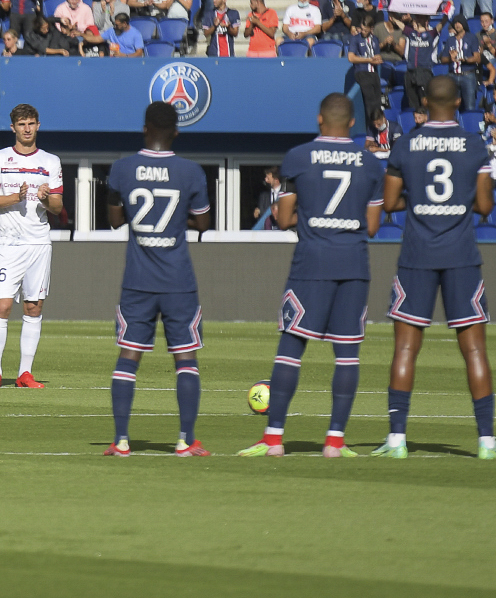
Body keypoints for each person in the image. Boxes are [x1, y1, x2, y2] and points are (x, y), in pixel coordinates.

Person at [240, 93, 384, 459]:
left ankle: (273, 440)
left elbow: (285, 219)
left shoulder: (298, 157)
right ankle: (335, 442)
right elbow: (371, 226)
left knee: (291, 349)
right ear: (352, 123)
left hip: (311, 263)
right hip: (353, 265)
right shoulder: (369, 164)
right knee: (347, 355)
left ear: (320, 119)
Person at [374, 74, 496, 459]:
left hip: (417, 256)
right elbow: (485, 207)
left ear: (423, 103)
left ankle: (396, 440)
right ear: (459, 102)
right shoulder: (476, 145)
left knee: (406, 349)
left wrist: (421, 202)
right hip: (461, 255)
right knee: (474, 349)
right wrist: (456, 204)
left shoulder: (405, 144)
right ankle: (487, 441)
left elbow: (390, 203)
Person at [103, 102, 213, 458]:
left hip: (137, 279)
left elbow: (115, 219)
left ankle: (121, 441)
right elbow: (203, 225)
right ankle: (186, 440)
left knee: (129, 356)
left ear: (145, 128)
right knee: (185, 359)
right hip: (179, 280)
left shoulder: (122, 168)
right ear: (177, 131)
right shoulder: (192, 172)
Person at [0, 103, 64, 389]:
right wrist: (15, 196)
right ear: (13, 128)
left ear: (38, 125)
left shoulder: (51, 161)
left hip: (38, 242)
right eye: (22, 124)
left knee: (33, 307)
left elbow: (57, 207)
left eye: (31, 123)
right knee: (2, 305)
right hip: (10, 244)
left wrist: (45, 198)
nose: (27, 129)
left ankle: (25, 373)